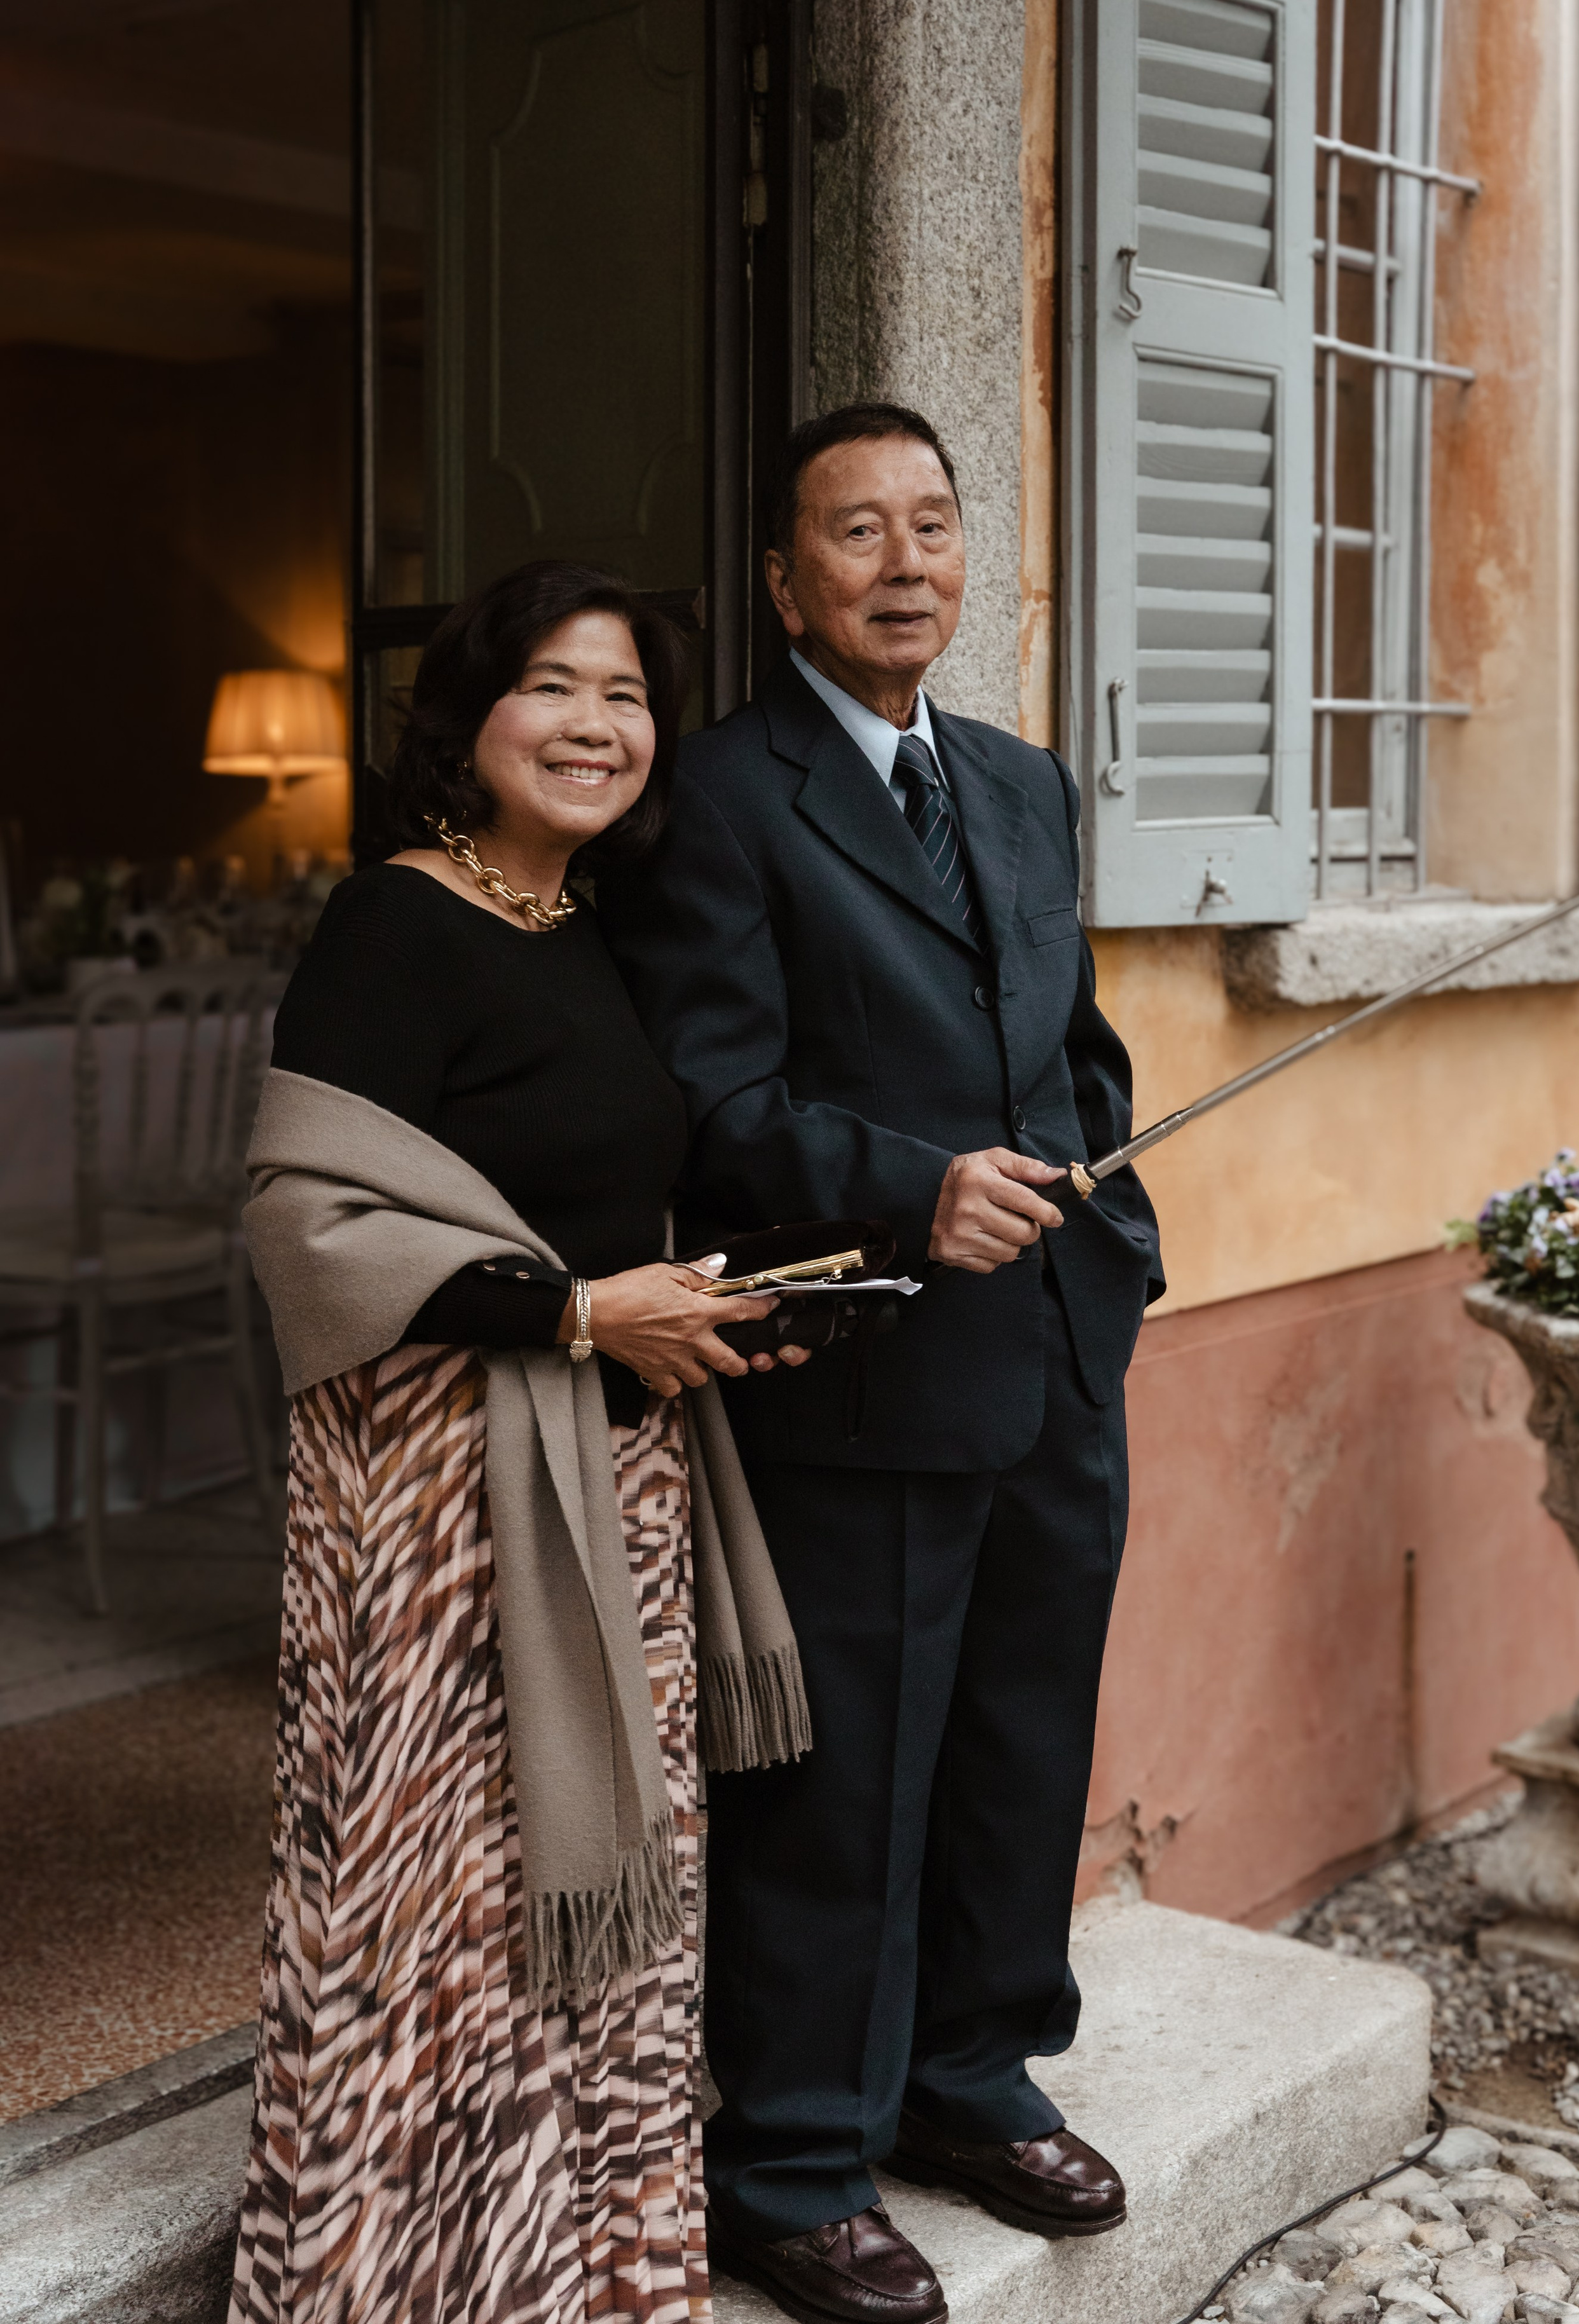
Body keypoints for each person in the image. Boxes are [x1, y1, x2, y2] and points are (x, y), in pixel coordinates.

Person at [597, 406, 1165, 2324]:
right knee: (844, 1789)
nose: (906, 559)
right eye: (858, 530)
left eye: (933, 522)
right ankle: (793, 2162)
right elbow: (708, 1098)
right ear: (785, 579)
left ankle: (973, 2080)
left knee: (1023, 1740)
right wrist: (917, 1190)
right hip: (862, 1364)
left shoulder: (1020, 780)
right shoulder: (722, 799)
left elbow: (1077, 1047)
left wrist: (1118, 1252)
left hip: (1057, 1349)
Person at [230, 560, 812, 2324]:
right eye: (554, 687)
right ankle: (402, 2286)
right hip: (439, 1515)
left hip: (610, 1482)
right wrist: (575, 1316)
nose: (594, 725)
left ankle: (582, 2275)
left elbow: (587, 1204)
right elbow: (305, 1215)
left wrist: (699, 1304)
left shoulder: (590, 937)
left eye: (627, 697)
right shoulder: (396, 920)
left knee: (605, 1896)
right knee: (434, 1918)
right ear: (471, 718)